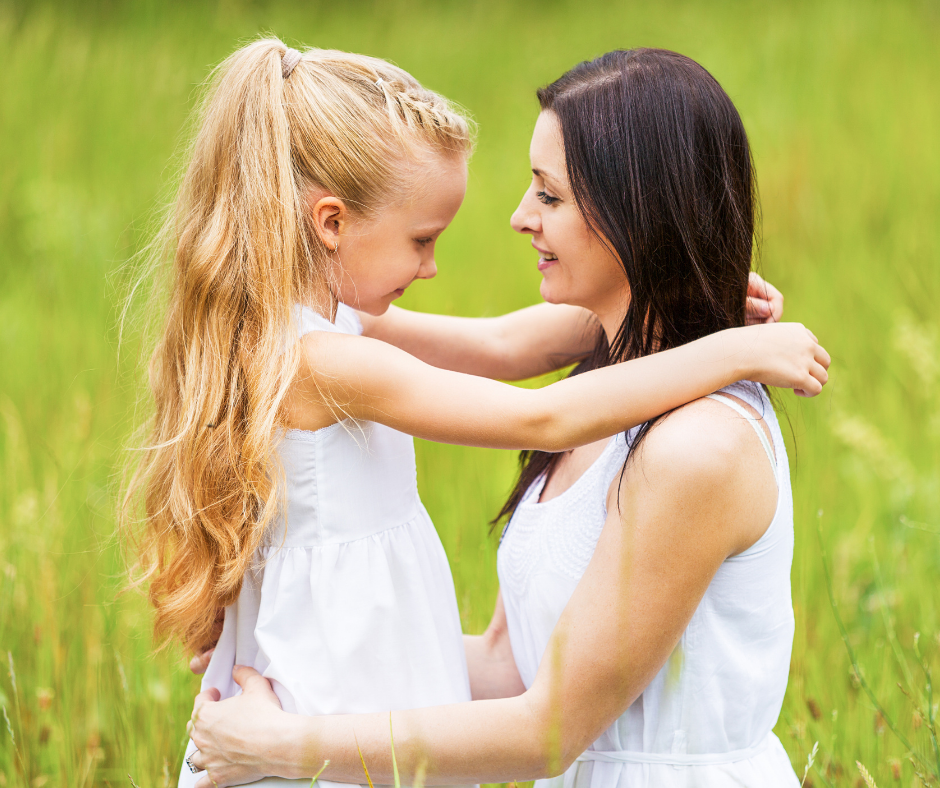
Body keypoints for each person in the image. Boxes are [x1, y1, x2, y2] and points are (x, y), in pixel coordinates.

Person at [130, 40, 828, 788]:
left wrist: (705, 319)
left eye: (549, 195)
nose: (519, 217)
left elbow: (502, 350)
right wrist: (287, 656)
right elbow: (507, 653)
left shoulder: (696, 446)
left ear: (639, 217)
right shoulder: (326, 352)